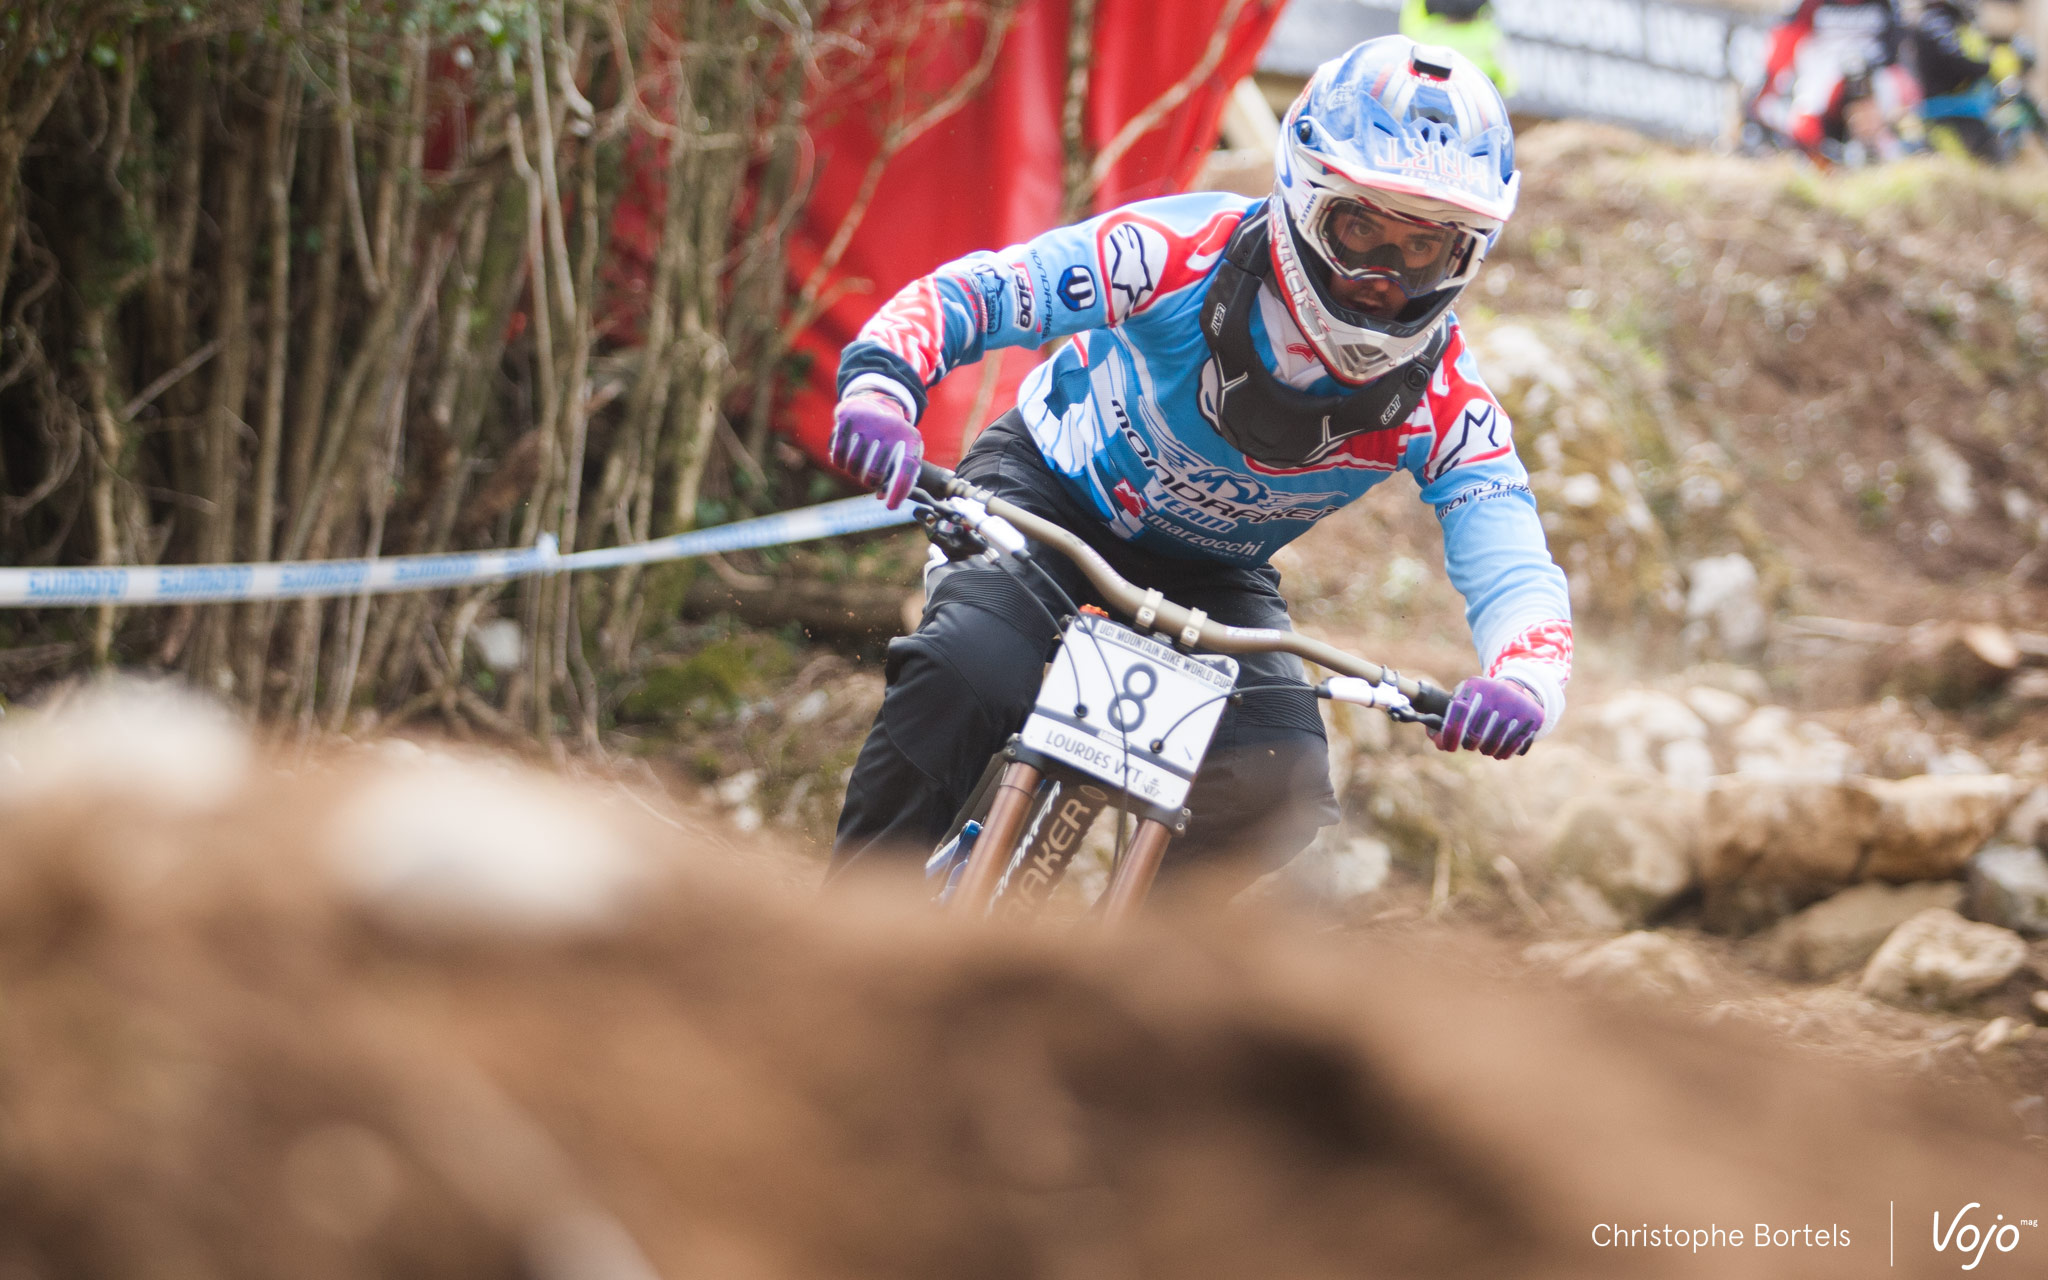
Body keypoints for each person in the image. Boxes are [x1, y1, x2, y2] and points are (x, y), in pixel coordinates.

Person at [825, 37, 1573, 883]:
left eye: (1421, 249)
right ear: (1306, 198)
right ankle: (854, 926)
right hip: (1047, 498)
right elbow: (984, 292)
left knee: (1279, 784)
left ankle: (1133, 959)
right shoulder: (1176, 250)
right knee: (966, 671)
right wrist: (883, 387)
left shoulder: (1445, 400)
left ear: (1464, 255)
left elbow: (1512, 557)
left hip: (1213, 573)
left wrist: (1525, 680)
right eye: (1360, 227)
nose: (1382, 277)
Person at [1751, 0, 1912, 162]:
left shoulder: (1885, 4)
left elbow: (1898, 42)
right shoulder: (1810, 4)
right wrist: (1770, 88)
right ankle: (1819, 152)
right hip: (1823, 72)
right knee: (1805, 114)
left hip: (1873, 68)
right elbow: (1786, 41)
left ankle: (1888, 147)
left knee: (1892, 91)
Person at [1398, 0, 1515, 97]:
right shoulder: (1489, 36)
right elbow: (1508, 84)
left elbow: (1409, 34)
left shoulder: (1427, 36)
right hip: (1478, 100)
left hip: (1432, 95)